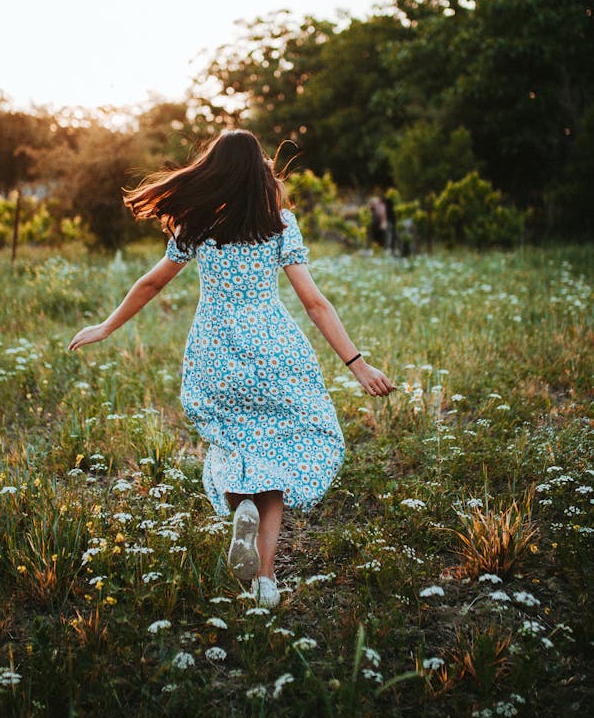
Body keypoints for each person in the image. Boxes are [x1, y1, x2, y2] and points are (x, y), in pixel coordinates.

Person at [68, 130, 396, 608]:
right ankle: (265, 580)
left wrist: (107, 325)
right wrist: (357, 364)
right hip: (272, 350)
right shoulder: (280, 225)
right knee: (276, 458)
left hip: (215, 351)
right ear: (256, 170)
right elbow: (315, 303)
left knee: (231, 443)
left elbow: (151, 283)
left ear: (215, 169)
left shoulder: (195, 224)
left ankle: (238, 508)